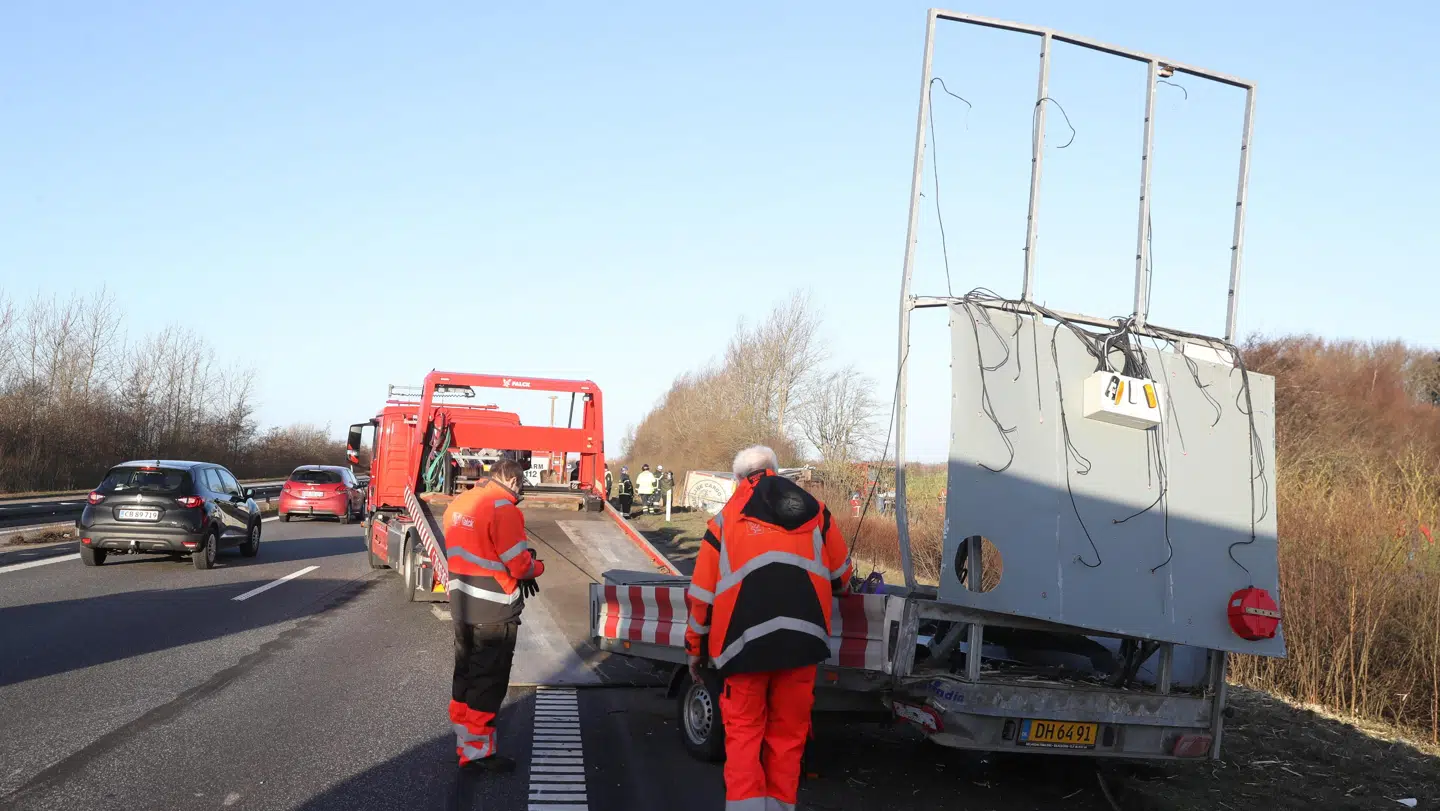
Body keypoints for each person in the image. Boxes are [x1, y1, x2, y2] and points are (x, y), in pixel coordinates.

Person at [684, 445, 853, 811]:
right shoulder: (816, 510)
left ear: (738, 481)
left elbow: (701, 597)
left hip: (741, 646)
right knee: (788, 737)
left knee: (744, 736)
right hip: (803, 644)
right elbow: (842, 576)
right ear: (777, 471)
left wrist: (695, 649)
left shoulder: (725, 521)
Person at [442, 458, 545, 773]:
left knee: (466, 674)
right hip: (494, 609)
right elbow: (520, 565)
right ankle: (477, 754)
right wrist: (536, 566)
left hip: (462, 604)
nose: (522, 491)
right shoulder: (504, 507)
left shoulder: (461, 502)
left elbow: (475, 551)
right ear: (513, 481)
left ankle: (464, 742)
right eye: (522, 485)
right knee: (488, 681)